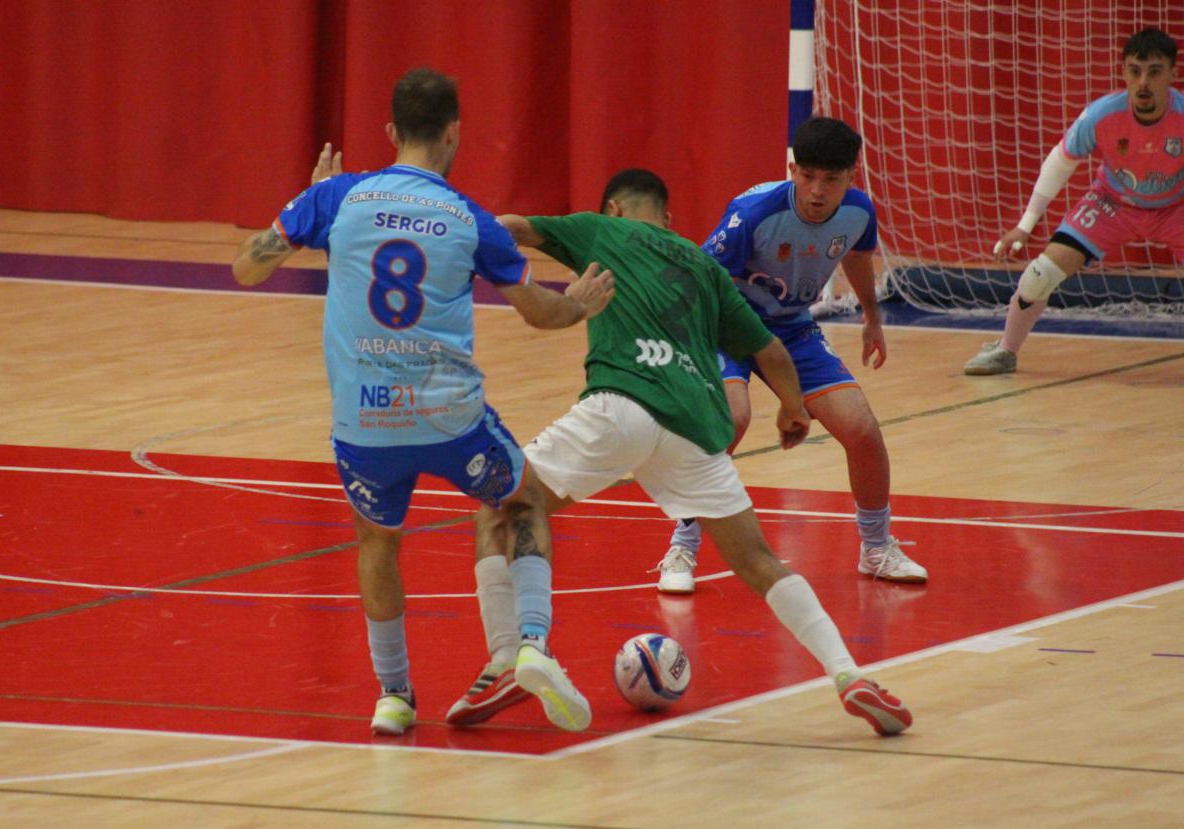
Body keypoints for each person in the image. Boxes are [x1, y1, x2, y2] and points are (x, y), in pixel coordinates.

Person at [445, 169, 912, 737]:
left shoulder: (600, 230)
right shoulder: (704, 266)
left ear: (614, 209)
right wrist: (792, 409)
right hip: (695, 427)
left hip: (621, 403)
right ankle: (848, 674)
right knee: (759, 561)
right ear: (667, 220)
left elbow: (511, 228)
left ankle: (508, 659)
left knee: (499, 510)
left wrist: (447, 233)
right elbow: (770, 350)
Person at [231, 67, 614, 736]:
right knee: (522, 501)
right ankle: (531, 643)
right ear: (454, 132)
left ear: (391, 131)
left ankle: (394, 694)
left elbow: (247, 267)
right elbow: (540, 314)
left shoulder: (338, 198)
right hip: (449, 419)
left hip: (365, 421)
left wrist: (312, 205)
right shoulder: (470, 218)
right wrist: (579, 304)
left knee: (378, 541)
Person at [655, 116, 927, 596]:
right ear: (792, 170)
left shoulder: (859, 212)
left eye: (831, 179)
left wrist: (872, 316)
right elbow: (701, 281)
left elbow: (857, 257)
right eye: (807, 176)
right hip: (727, 323)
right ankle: (682, 545)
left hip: (793, 328)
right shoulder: (753, 213)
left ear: (851, 176)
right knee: (731, 420)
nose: (817, 190)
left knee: (861, 428)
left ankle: (876, 546)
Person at [965, 27, 1184, 375]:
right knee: (1039, 275)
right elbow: (1060, 162)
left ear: (1173, 74)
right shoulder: (1101, 115)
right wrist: (1025, 226)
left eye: (1154, 72)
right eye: (1135, 71)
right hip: (1113, 205)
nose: (1143, 83)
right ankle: (1006, 349)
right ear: (1124, 73)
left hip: (1175, 208)